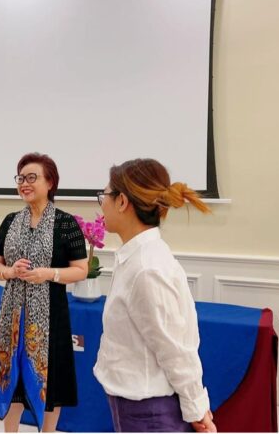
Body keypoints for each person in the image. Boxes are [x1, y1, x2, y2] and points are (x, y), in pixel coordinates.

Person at [93, 158, 217, 433]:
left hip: (149, 411)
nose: (102, 204)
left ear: (122, 201)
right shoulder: (136, 258)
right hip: (135, 404)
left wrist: (197, 407)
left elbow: (175, 350)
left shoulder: (146, 268)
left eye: (104, 196)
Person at [0, 153, 89, 432]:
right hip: (13, 316)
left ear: (50, 182)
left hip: (51, 316)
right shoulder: (10, 221)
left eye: (32, 178)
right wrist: (9, 271)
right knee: (13, 380)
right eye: (20, 178)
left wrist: (48, 274)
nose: (24, 184)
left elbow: (81, 270)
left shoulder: (66, 223)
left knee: (51, 382)